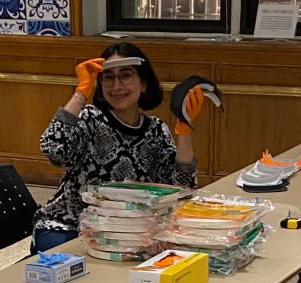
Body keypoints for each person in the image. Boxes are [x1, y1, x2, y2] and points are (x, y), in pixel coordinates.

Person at [33, 43, 200, 252]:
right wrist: (80, 94)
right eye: (108, 77)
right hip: (68, 227)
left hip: (127, 233)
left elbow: (182, 191)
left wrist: (184, 131)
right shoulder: (90, 118)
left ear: (144, 83)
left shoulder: (156, 130)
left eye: (125, 75)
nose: (116, 86)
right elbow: (53, 148)